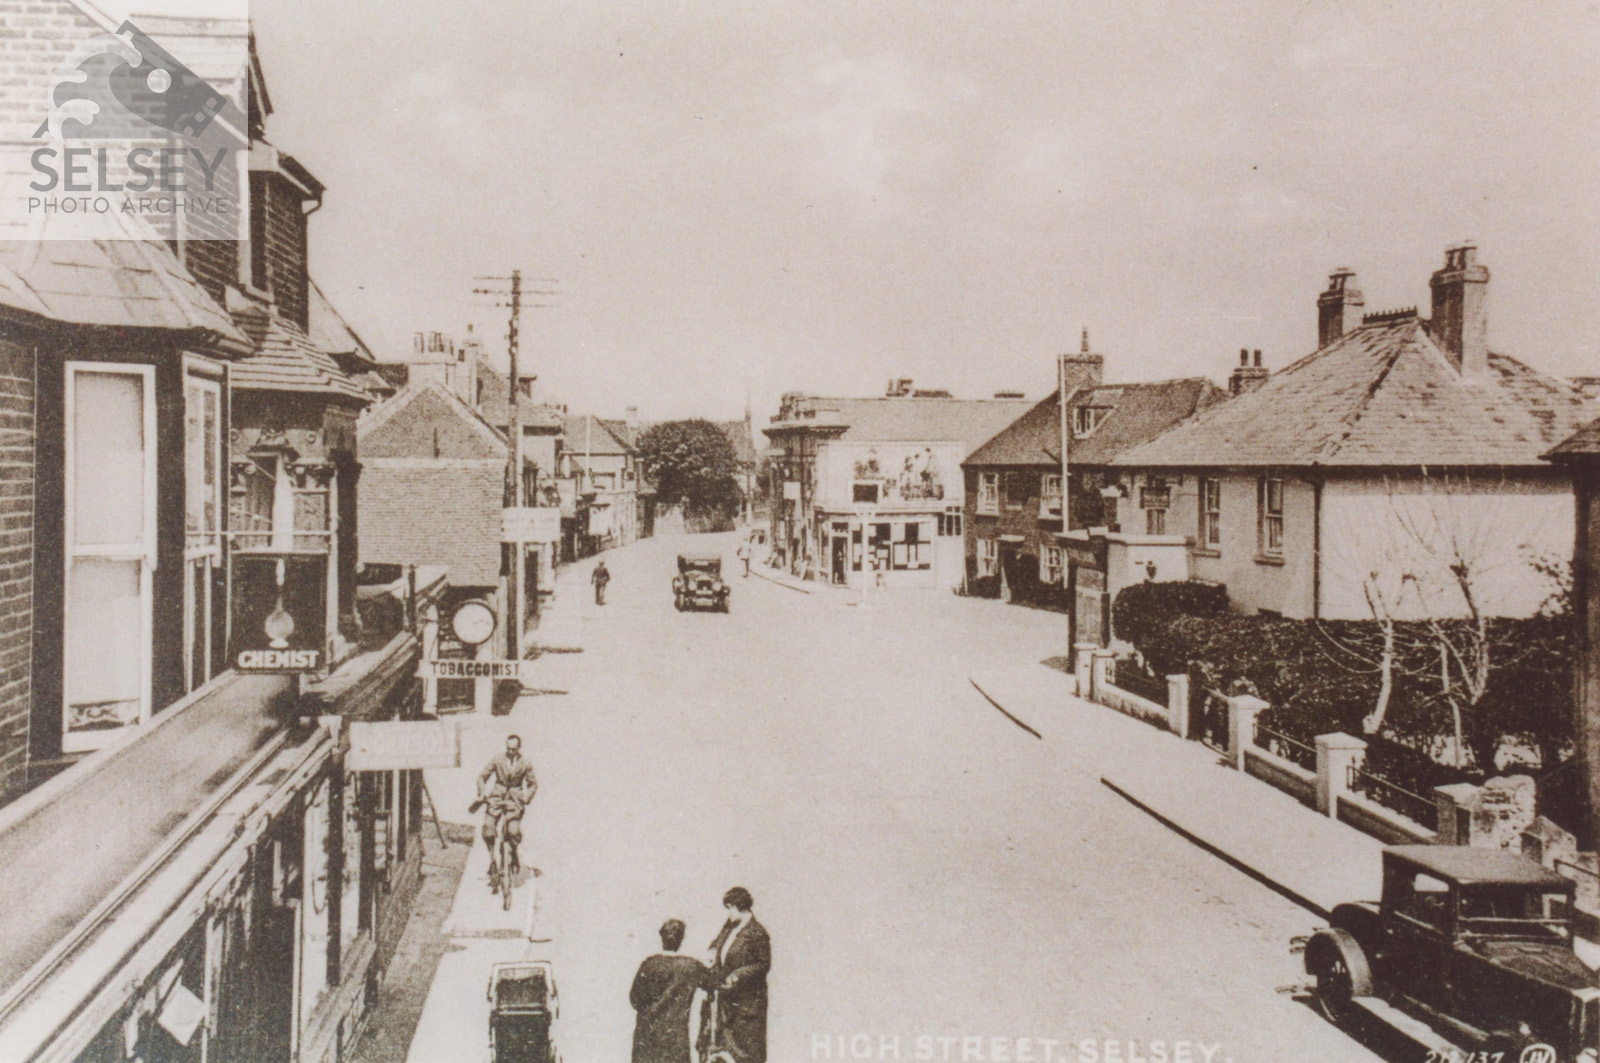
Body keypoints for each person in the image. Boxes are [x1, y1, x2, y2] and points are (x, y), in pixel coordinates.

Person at [698, 887, 770, 1063]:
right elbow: (717, 944)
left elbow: (763, 964)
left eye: (730, 908)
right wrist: (712, 952)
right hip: (727, 1002)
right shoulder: (730, 926)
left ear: (739, 907)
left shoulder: (757, 933)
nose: (728, 913)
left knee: (746, 1053)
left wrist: (738, 974)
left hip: (747, 1006)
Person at [629, 919, 709, 1063]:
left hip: (647, 1037)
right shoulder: (691, 967)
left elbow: (635, 1000)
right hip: (675, 1040)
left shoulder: (649, 965)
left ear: (662, 938)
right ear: (681, 939)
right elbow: (714, 982)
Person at [474, 734, 537, 877]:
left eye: (513, 749)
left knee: (513, 832)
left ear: (519, 749)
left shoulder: (525, 763)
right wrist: (482, 792)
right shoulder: (498, 759)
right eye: (508, 749)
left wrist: (527, 797)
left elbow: (533, 784)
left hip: (514, 801)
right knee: (488, 830)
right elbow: (482, 777)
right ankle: (492, 861)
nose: (510, 752)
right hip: (496, 798)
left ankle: (513, 852)